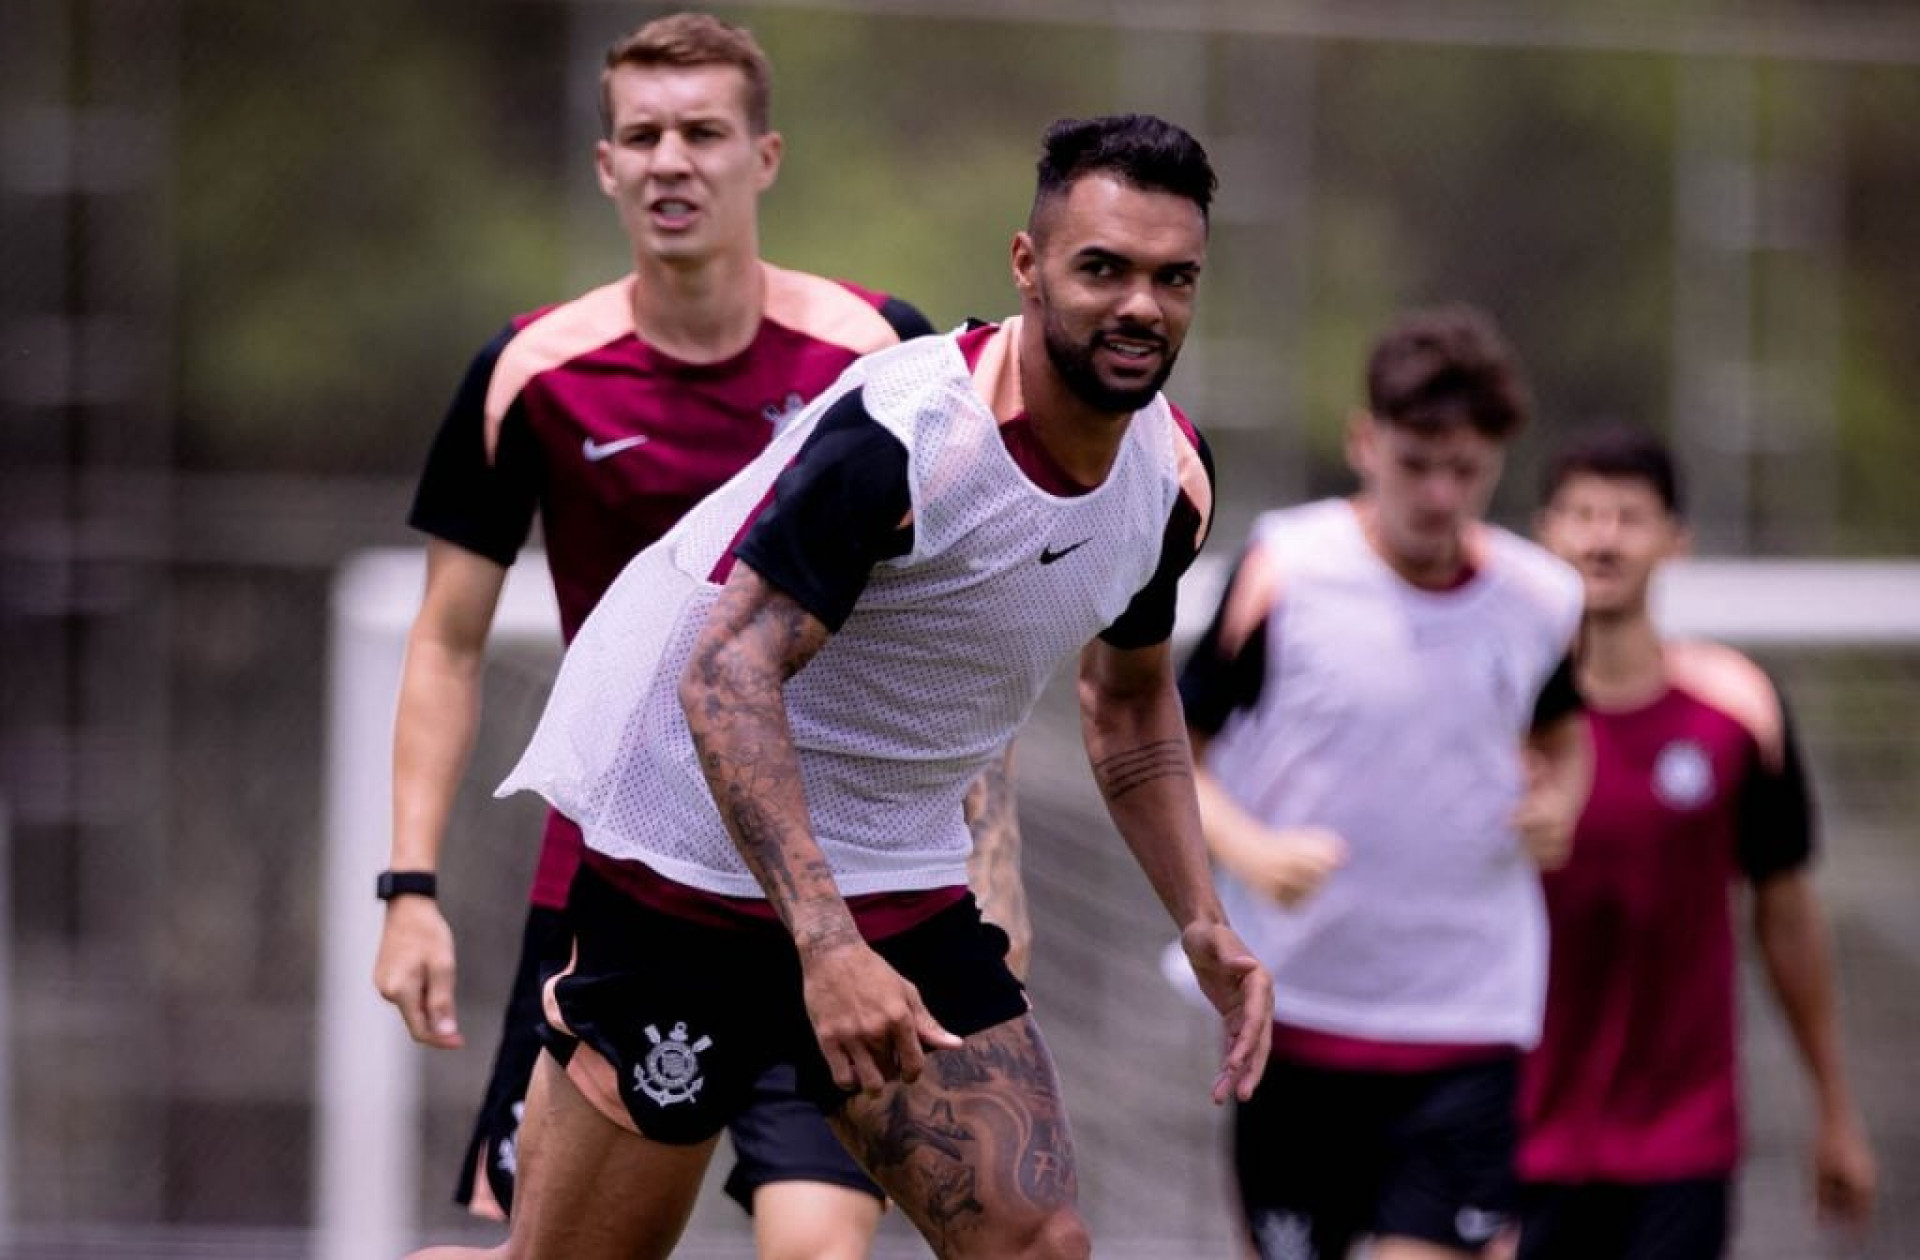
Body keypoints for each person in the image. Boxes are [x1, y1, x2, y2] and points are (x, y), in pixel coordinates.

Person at [404, 111, 1274, 1260]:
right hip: (687, 855)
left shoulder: (1169, 482)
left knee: (1038, 1243)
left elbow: (1127, 705)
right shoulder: (907, 437)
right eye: (1102, 268)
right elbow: (724, 674)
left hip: (897, 868)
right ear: (1026, 267)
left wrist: (1203, 918)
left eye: (1174, 278)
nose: (1140, 307)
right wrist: (825, 948)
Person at [370, 14, 1028, 1258]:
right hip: (614, 883)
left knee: (818, 1244)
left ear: (764, 157)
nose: (675, 160)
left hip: (837, 886)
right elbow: (446, 643)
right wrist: (408, 889)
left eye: (705, 132)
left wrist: (991, 867)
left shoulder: (880, 354)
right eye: (644, 135)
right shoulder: (532, 374)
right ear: (607, 165)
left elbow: (952, 633)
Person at [1173, 304, 1591, 1260]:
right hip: (1292, 1014)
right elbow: (1167, 752)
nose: (1440, 495)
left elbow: (1565, 737)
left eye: (1467, 470)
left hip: (1467, 1019)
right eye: (1416, 463)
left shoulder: (1541, 600)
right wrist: (1252, 847)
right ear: (1366, 442)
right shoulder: (1284, 570)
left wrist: (1557, 802)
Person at [1514, 424, 1877, 1259]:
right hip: (1512, 1130)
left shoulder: (1737, 710)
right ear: (1545, 532)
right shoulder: (1491, 710)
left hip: (1678, 1140)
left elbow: (1786, 914)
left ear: (1677, 541)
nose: (1602, 539)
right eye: (1581, 514)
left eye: (1628, 517)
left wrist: (1833, 1107)